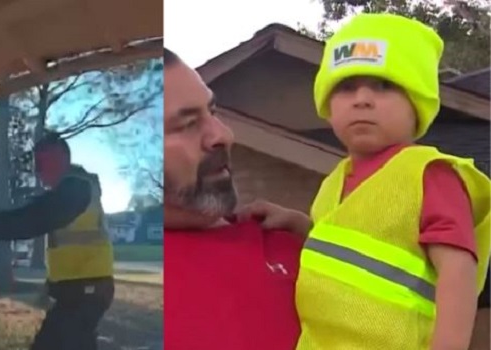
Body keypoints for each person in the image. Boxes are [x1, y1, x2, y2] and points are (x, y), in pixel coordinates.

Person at [279, 13, 490, 350]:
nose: (362, 98)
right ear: (328, 106)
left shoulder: (428, 174)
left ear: (416, 104)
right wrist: (298, 225)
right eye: (346, 87)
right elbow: (351, 251)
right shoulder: (334, 181)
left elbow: (458, 271)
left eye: (384, 86)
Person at [163, 48, 309, 349]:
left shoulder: (290, 238)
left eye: (212, 113)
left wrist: (314, 238)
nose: (224, 135)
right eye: (189, 124)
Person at [0, 133, 114, 350]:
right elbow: (28, 217)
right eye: (36, 163)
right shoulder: (69, 191)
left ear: (63, 158)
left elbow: (28, 221)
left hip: (87, 291)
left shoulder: (76, 189)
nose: (38, 170)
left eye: (43, 162)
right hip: (77, 291)